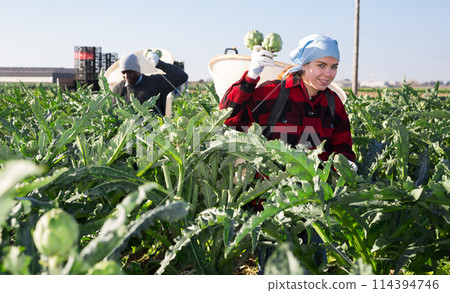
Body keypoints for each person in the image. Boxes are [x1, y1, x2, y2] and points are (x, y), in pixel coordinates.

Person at [219, 33, 357, 273]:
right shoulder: (274, 93)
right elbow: (229, 115)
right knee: (275, 271)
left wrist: (346, 164)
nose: (328, 73)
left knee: (314, 267)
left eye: (334, 67)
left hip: (314, 202)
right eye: (320, 65)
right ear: (304, 65)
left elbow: (342, 144)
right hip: (272, 204)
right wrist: (252, 75)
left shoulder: (333, 103)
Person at [111, 51, 188, 116]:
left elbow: (181, 76)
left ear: (138, 70)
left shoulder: (155, 82)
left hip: (155, 131)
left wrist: (159, 63)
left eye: (130, 72)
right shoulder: (118, 89)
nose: (126, 76)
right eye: (123, 72)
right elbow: (114, 113)